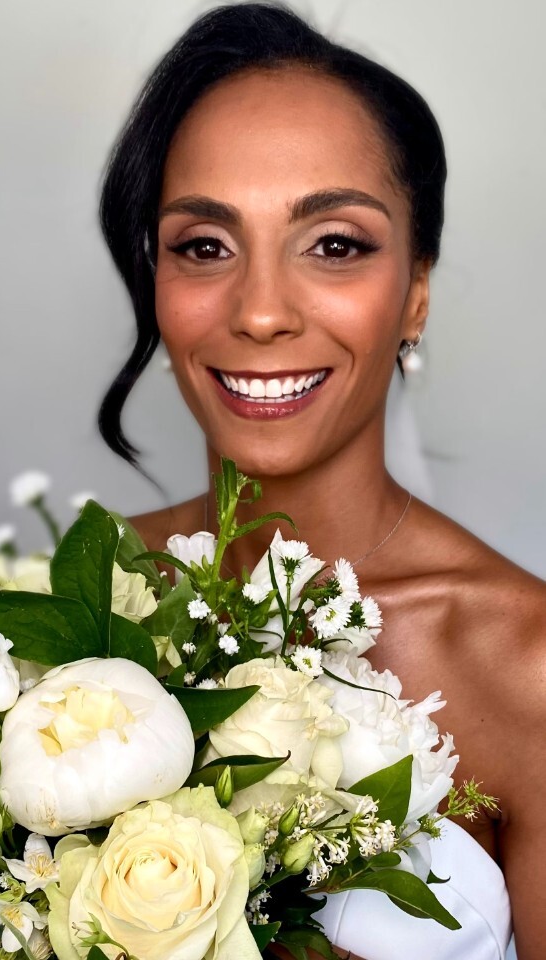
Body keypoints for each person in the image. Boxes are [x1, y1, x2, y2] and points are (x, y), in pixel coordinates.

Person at [96, 4, 546, 957]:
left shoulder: (526, 664)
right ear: (155, 281)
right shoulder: (65, 610)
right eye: (204, 245)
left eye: (335, 243)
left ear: (415, 290)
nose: (260, 313)